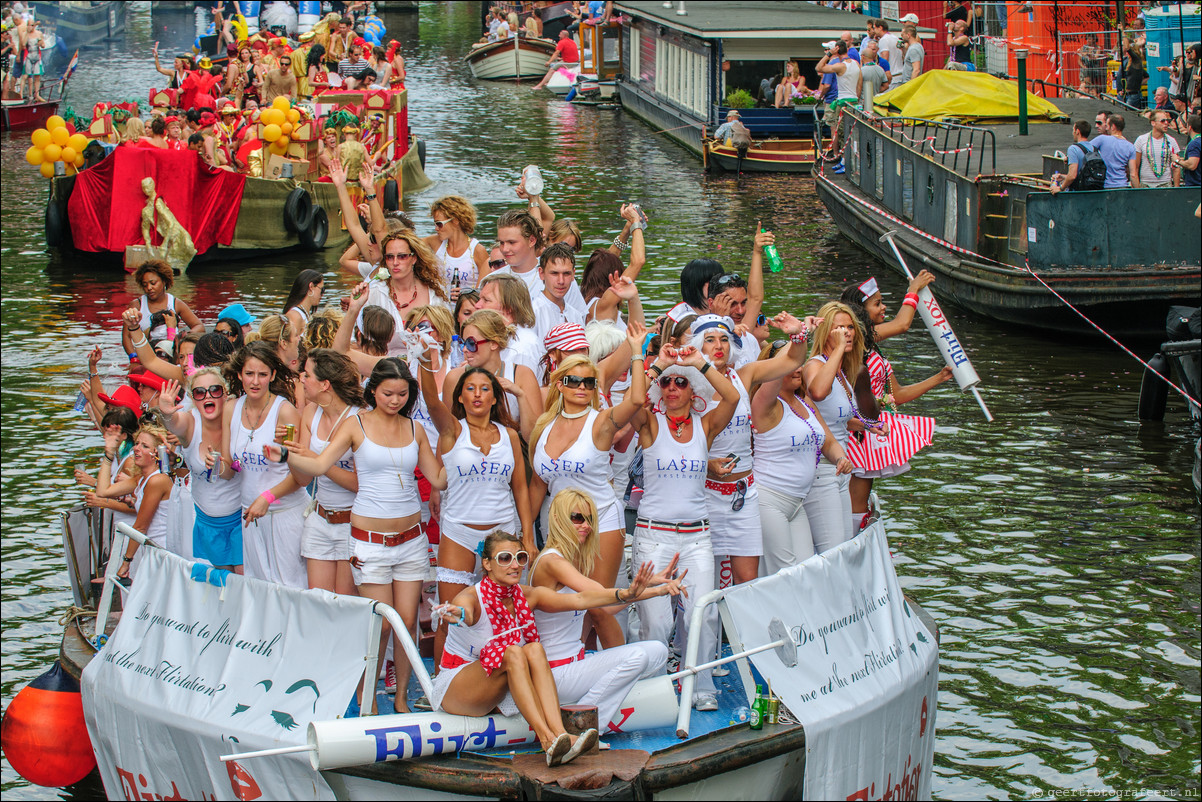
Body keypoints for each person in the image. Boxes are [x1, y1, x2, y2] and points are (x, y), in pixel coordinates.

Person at [268, 358, 445, 713]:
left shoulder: (416, 429)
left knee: (407, 622)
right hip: (369, 541)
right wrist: (289, 453)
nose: (395, 400)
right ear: (374, 391)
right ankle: (367, 697)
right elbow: (319, 467)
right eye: (387, 393)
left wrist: (461, 448)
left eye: (402, 394)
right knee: (379, 624)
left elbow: (438, 479)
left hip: (411, 539)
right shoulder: (355, 424)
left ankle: (399, 698)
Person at [431, 531, 677, 766]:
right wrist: (458, 614)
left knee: (535, 649)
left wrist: (628, 593)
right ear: (486, 564)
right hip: (457, 690)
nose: (515, 565)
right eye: (504, 558)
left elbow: (580, 599)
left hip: (496, 687)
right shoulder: (472, 598)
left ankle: (561, 734)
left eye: (520, 558)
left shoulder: (526, 596)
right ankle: (547, 739)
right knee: (514, 652)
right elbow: (465, 610)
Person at [630, 342, 740, 711]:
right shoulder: (649, 423)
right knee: (656, 623)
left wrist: (700, 362)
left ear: (694, 392)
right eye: (667, 383)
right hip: (653, 536)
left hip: (697, 537)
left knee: (702, 615)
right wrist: (656, 366)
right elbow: (632, 401)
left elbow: (733, 397)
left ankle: (701, 685)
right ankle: (654, 689)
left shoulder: (704, 425)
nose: (672, 387)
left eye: (681, 382)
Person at [529, 327, 648, 644]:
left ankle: (620, 673)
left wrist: (637, 351)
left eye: (589, 382)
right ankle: (576, 669)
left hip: (601, 520)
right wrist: (526, 535)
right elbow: (538, 486)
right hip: (558, 524)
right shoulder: (543, 427)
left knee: (599, 607)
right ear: (560, 384)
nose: (582, 387)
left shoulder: (601, 422)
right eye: (574, 381)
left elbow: (637, 399)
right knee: (568, 607)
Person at [416, 350, 532, 664]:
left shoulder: (509, 436)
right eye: (470, 388)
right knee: (448, 616)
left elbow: (520, 488)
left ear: (495, 398)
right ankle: (441, 687)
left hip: (503, 534)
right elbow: (429, 398)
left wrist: (529, 539)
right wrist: (425, 360)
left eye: (484, 388)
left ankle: (496, 678)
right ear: (461, 397)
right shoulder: (452, 431)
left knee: (500, 614)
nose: (477, 394)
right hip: (459, 534)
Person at [529, 489, 674, 732]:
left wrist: (652, 588)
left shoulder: (570, 560)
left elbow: (606, 608)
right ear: (557, 519)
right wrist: (634, 591)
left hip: (574, 664)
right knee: (637, 657)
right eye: (577, 518)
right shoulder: (552, 562)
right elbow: (596, 596)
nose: (585, 525)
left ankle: (589, 710)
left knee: (659, 651)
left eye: (590, 520)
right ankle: (582, 725)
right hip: (555, 673)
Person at [689, 301, 810, 588]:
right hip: (704, 494)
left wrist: (798, 334)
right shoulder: (687, 386)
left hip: (744, 495)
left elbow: (791, 361)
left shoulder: (744, 376)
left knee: (747, 580)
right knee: (707, 582)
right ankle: (708, 634)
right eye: (709, 340)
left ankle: (744, 634)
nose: (719, 346)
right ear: (697, 346)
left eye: (724, 340)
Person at [840, 279, 952, 531]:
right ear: (859, 310)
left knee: (861, 499)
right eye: (877, 303)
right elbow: (903, 324)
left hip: (872, 428)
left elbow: (897, 394)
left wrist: (939, 377)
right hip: (856, 433)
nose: (883, 308)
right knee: (855, 502)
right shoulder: (856, 342)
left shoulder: (872, 345)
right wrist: (912, 291)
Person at [751, 340, 852, 572]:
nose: (798, 368)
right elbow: (775, 374)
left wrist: (840, 458)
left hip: (798, 502)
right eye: (791, 363)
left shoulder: (804, 402)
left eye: (800, 362)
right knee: (785, 574)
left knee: (807, 570)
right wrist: (795, 340)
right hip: (769, 500)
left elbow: (828, 441)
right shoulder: (764, 405)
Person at [221, 341, 308, 588]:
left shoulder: (285, 412)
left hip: (284, 514)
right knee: (258, 588)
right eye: (249, 374)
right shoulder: (231, 408)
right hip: (250, 515)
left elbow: (301, 476)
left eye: (262, 374)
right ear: (240, 375)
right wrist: (216, 465)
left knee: (291, 588)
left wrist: (267, 497)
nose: (255, 381)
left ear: (272, 375)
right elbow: (231, 469)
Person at [288, 349, 363, 595]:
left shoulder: (360, 417)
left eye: (307, 375)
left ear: (325, 384)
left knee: (343, 606)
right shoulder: (310, 412)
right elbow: (303, 479)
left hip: (351, 523)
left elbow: (359, 484)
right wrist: (289, 454)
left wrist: (320, 462)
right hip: (320, 519)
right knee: (317, 602)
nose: (301, 379)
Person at [155, 370, 244, 572]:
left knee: (244, 584)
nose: (208, 396)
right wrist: (167, 415)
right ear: (194, 399)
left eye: (215, 390)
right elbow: (175, 424)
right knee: (222, 588)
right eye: (200, 393)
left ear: (225, 394)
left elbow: (230, 471)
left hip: (241, 518)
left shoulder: (238, 419)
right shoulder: (190, 422)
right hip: (207, 521)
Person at [800, 302, 870, 549]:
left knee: (844, 545)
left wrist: (867, 425)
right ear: (825, 332)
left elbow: (833, 417)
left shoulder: (841, 372)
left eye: (850, 327)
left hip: (840, 468)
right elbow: (817, 392)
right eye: (839, 328)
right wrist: (840, 348)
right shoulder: (815, 365)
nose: (847, 332)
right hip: (821, 471)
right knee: (833, 549)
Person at [442, 309, 542, 440]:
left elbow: (533, 439)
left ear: (494, 343)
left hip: (510, 454)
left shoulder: (521, 375)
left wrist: (520, 395)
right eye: (463, 343)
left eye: (471, 344)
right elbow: (448, 434)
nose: (465, 350)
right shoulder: (454, 378)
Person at [95, 423, 174, 580]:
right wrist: (109, 453)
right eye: (137, 443)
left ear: (157, 453)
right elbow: (103, 491)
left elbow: (140, 526)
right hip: (146, 548)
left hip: (160, 550)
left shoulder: (158, 480)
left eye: (144, 446)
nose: (136, 448)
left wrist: (126, 560)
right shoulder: (140, 479)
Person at [358, 230, 450, 355]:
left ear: (414, 258)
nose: (395, 262)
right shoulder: (375, 293)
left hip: (426, 366)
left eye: (402, 256)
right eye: (390, 257)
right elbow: (357, 340)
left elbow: (448, 338)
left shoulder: (434, 292)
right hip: (385, 367)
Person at [121, 260, 204, 358]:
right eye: (145, 285)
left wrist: (183, 337)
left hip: (171, 356)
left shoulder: (176, 304)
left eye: (153, 283)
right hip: (145, 356)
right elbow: (126, 336)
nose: (149, 288)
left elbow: (199, 326)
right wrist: (133, 357)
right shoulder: (136, 305)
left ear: (164, 281)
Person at [477, 273, 546, 374]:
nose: (477, 305)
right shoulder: (497, 337)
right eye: (479, 299)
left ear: (509, 308)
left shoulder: (522, 347)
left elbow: (521, 388)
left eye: (486, 300)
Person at [422, 195, 489, 295]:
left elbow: (486, 290)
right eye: (435, 224)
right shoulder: (434, 242)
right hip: (440, 309)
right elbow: (407, 243)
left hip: (467, 308)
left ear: (455, 221)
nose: (436, 228)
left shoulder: (478, 251)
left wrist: (465, 295)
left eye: (439, 224)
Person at [531, 243, 586, 345]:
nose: (561, 281)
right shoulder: (533, 314)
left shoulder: (576, 315)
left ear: (573, 274)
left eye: (566, 274)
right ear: (541, 273)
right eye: (554, 273)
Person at [1133, 110, 1182, 188]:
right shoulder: (1141, 140)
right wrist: (1136, 188)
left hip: (1165, 185)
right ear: (1153, 123)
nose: (1166, 123)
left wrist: (1176, 188)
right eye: (1162, 121)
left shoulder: (1171, 141)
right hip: (1146, 185)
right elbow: (1135, 167)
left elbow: (1176, 168)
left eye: (1167, 121)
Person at [1051, 121, 1102, 194]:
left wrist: (1060, 188)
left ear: (1077, 131)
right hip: (1093, 192)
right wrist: (1063, 177)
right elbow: (1083, 176)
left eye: (1073, 130)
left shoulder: (1073, 149)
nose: (1073, 133)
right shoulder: (1095, 150)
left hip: (1077, 194)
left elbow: (1072, 175)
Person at [1091, 112, 1138, 188]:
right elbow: (1133, 174)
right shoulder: (1130, 146)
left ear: (1113, 127)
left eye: (1107, 126)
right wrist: (1138, 192)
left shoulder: (1102, 139)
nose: (1106, 128)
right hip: (1123, 185)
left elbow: (1085, 147)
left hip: (1105, 185)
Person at [283, 269, 325, 340]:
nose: (322, 294)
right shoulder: (295, 316)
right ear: (311, 287)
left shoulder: (304, 314)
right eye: (322, 289)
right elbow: (289, 344)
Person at [860, 39, 890, 109]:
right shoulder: (880, 69)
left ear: (863, 56)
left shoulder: (861, 71)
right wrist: (875, 91)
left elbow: (858, 87)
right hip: (875, 101)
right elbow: (886, 85)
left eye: (873, 49)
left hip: (863, 102)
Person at [1173, 113, 1201, 186]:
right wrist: (1183, 159)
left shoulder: (1195, 144)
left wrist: (1177, 160)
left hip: (1195, 186)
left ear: (1190, 127)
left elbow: (1192, 165)